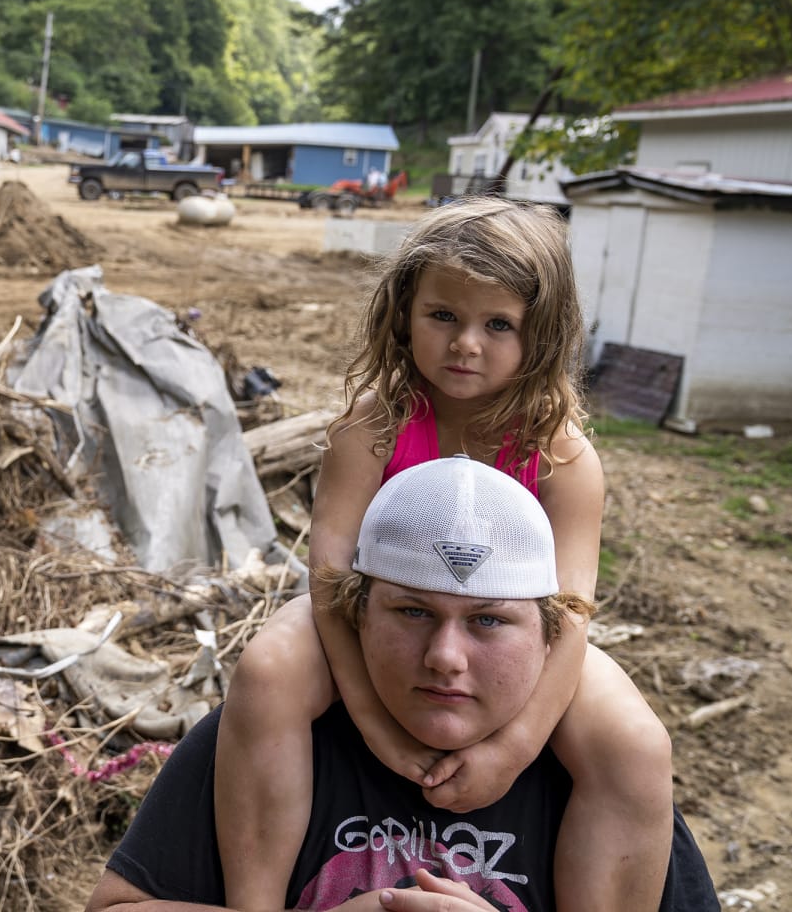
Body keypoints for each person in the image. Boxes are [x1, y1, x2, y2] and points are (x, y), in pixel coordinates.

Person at [214, 198, 674, 912]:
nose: (467, 343)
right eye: (444, 316)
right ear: (404, 313)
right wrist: (369, 717)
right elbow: (333, 580)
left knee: (636, 745)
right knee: (269, 670)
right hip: (375, 620)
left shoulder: (563, 456)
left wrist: (514, 748)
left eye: (498, 325)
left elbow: (572, 612)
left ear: (541, 336)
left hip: (518, 638)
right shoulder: (371, 428)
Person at [85, 457, 718, 911]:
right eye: (413, 612)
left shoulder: (601, 776)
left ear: (552, 635)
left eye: (489, 621)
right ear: (357, 614)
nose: (445, 657)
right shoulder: (269, 737)